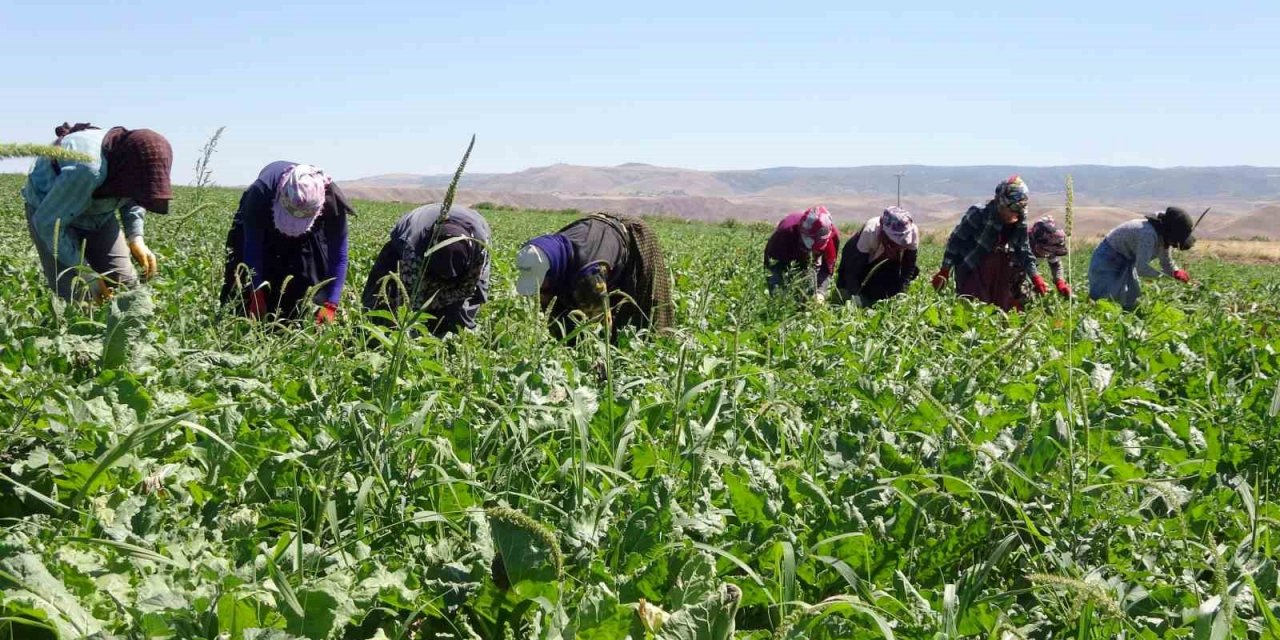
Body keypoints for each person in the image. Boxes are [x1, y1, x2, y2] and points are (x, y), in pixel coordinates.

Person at [21, 122, 172, 301]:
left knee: (126, 287)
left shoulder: (128, 163)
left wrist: (136, 238)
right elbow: (47, 224)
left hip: (99, 215)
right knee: (78, 295)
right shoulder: (87, 169)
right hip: (51, 213)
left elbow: (136, 193)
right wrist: (86, 274)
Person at [219, 162, 353, 324]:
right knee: (240, 278)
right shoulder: (260, 193)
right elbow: (252, 245)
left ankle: (294, 321)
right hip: (262, 219)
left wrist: (331, 303)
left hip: (310, 231)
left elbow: (339, 255)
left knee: (307, 272)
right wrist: (256, 292)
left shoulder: (331, 201)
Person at [514, 212, 672, 339]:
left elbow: (601, 331)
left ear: (550, 273)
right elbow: (551, 310)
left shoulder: (588, 277)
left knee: (646, 312)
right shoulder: (544, 250)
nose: (541, 289)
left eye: (542, 283)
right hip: (598, 234)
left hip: (635, 237)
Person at [361, 203, 491, 336]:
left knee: (469, 303)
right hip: (407, 242)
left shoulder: (480, 247)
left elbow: (469, 289)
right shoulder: (412, 245)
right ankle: (368, 328)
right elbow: (411, 295)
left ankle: (456, 338)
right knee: (382, 291)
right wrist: (411, 332)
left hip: (473, 234)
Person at [931, 175, 1047, 311]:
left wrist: (1035, 277)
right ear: (1000, 203)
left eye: (1017, 212)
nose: (1013, 215)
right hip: (974, 265)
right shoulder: (979, 213)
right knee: (974, 309)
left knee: (1000, 310)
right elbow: (955, 241)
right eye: (1010, 210)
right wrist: (945, 270)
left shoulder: (1019, 219)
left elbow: (1023, 250)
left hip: (1001, 268)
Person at [1088, 207, 1194, 310]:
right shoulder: (1148, 235)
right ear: (1170, 234)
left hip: (1126, 260)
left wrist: (1176, 272)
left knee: (1131, 297)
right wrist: (1166, 277)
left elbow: (1166, 261)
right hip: (1108, 258)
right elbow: (1142, 268)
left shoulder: (1163, 237)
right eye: (1175, 242)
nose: (1174, 245)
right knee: (1103, 298)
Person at [835, 206, 920, 306]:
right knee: (844, 293)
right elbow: (853, 268)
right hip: (856, 257)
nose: (898, 247)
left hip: (884, 260)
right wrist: (855, 294)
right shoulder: (870, 232)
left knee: (891, 284)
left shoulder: (913, 232)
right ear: (884, 233)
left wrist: (902, 292)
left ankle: (874, 297)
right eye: (894, 243)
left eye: (901, 244)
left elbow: (909, 266)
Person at [764, 206, 840, 303]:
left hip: (811, 262)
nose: (811, 249)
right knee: (777, 293)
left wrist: (820, 293)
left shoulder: (832, 238)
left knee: (809, 291)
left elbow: (826, 270)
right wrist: (777, 293)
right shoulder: (785, 232)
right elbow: (772, 266)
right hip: (787, 255)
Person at [1028, 216, 1074, 298]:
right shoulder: (1022, 245)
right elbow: (1018, 268)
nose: (1046, 254)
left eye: (1050, 251)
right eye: (1045, 250)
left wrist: (1060, 282)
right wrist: (1034, 278)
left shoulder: (1050, 245)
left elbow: (1056, 264)